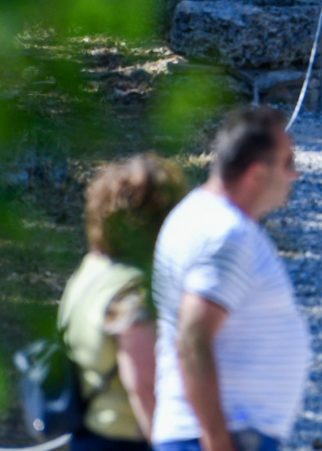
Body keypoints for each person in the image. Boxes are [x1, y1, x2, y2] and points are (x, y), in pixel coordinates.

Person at [150, 107, 308, 451]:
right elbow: (193, 338)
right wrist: (217, 440)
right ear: (257, 173)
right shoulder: (225, 234)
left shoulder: (198, 215)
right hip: (221, 436)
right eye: (287, 162)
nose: (295, 174)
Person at [59, 154, 183, 451]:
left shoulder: (88, 273)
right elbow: (141, 383)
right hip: (125, 439)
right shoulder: (130, 290)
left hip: (88, 433)